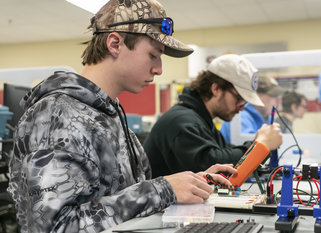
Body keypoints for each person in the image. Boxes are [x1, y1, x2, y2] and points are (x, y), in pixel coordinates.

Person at [7, 1, 237, 232]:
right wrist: (162, 190)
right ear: (115, 44)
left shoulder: (108, 112)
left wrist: (190, 184)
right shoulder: (56, 116)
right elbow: (55, 227)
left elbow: (123, 194)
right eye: (152, 55)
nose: (159, 69)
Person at [143, 54, 283, 178]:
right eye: (239, 99)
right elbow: (211, 166)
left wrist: (256, 148)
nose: (241, 108)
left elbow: (226, 154)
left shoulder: (202, 121)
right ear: (216, 89)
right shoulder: (182, 121)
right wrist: (259, 146)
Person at [220, 75, 285, 142]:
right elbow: (249, 149)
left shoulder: (268, 118)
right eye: (274, 95)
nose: (279, 100)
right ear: (256, 96)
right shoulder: (240, 117)